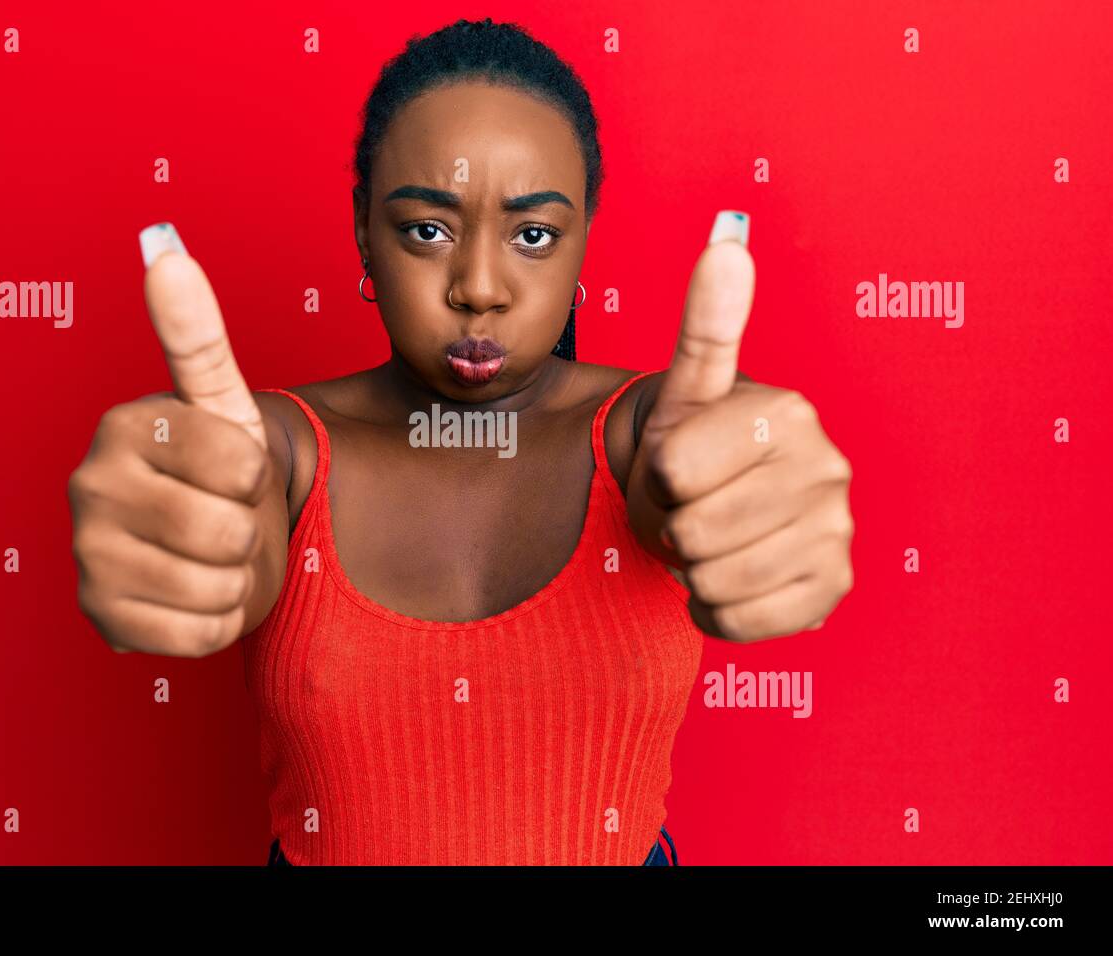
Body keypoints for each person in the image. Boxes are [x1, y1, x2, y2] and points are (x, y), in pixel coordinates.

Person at [67, 18, 854, 865]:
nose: (480, 288)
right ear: (365, 229)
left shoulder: (643, 435)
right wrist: (176, 513)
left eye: (534, 235)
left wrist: (761, 471)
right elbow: (232, 497)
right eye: (428, 230)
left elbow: (700, 461)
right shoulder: (284, 450)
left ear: (583, 239)